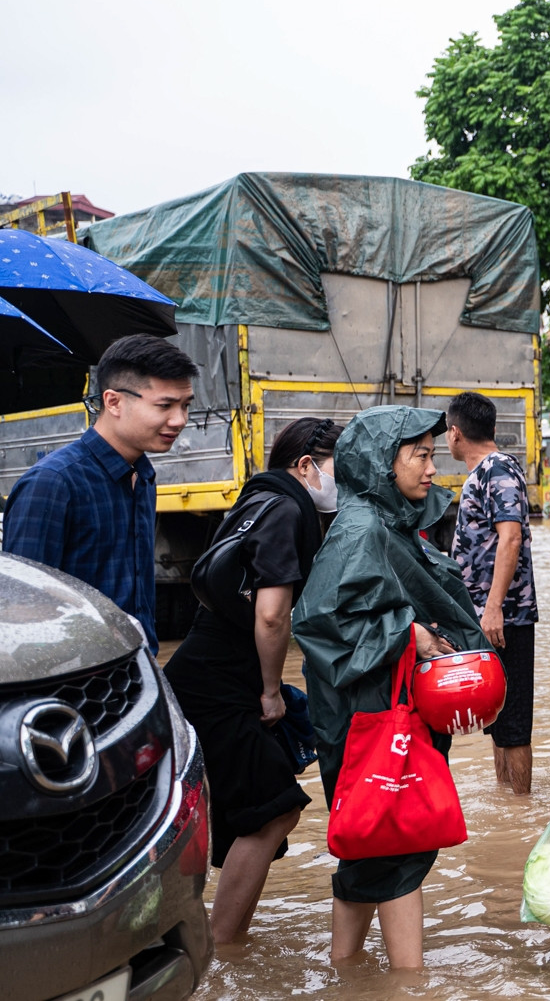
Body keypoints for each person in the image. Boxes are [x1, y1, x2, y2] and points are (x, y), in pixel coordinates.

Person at [292, 406, 487, 968]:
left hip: (373, 713)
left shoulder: (386, 522)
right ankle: (409, 982)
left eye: (432, 453)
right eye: (420, 455)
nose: (432, 467)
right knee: (396, 844)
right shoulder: (361, 529)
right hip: (367, 716)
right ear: (383, 462)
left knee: (368, 844)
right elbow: (320, 622)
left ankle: (344, 970)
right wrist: (410, 634)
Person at [163, 417, 337, 943]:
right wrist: (269, 690)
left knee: (234, 809)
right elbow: (270, 614)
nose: (342, 484)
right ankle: (219, 945)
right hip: (219, 684)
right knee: (274, 808)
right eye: (338, 471)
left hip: (201, 674)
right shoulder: (288, 508)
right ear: (306, 466)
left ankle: (204, 936)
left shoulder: (257, 497)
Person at [3, 334, 197, 650]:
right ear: (113, 401)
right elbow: (19, 609)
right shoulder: (52, 483)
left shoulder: (143, 476)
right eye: (165, 406)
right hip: (75, 680)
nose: (179, 420)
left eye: (185, 405)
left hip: (135, 671)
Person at [445, 391, 539, 795]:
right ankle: (507, 805)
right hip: (489, 618)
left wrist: (494, 608)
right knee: (499, 725)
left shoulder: (497, 468)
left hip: (506, 618)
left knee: (514, 725)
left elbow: (511, 538)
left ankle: (521, 813)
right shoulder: (484, 471)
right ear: (492, 428)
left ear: (454, 433)